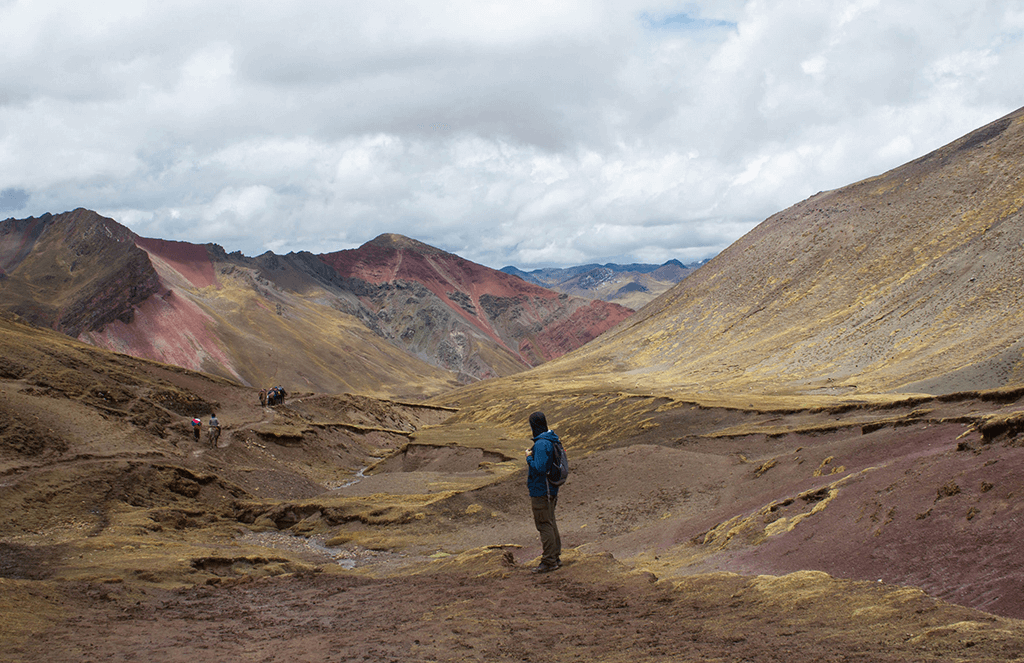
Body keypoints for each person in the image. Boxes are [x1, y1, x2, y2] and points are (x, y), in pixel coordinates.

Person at [525, 411, 562, 573]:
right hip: (551, 489)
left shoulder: (541, 444)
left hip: (542, 490)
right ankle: (555, 557)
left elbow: (539, 468)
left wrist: (528, 458)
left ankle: (549, 561)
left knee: (544, 524)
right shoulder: (552, 440)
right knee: (550, 521)